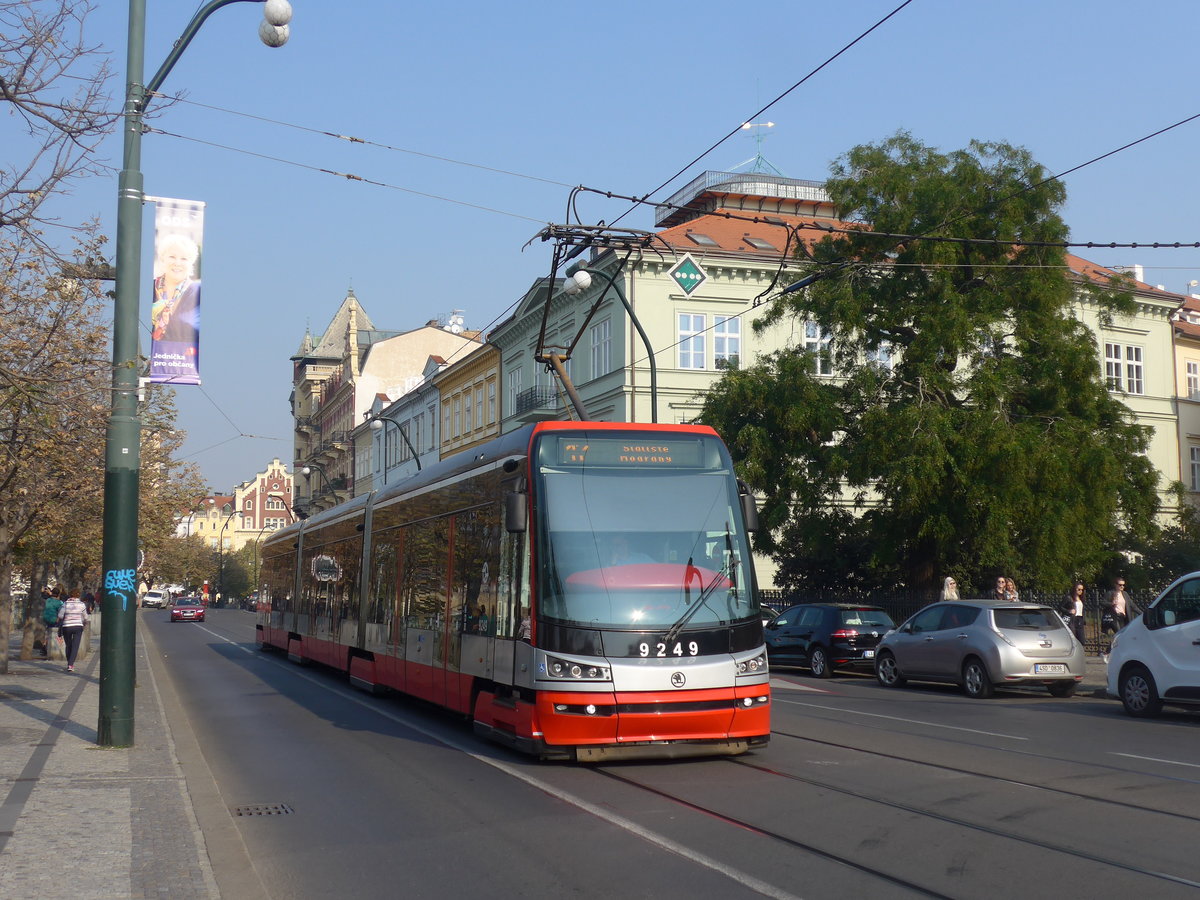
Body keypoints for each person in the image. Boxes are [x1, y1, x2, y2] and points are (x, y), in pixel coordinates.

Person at [151, 232, 201, 343]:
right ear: (163, 258)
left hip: (185, 351)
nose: (177, 263)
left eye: (184, 259)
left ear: (191, 263)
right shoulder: (149, 288)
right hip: (148, 351)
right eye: (172, 257)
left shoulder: (198, 292)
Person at [57, 587, 90, 673]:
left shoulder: (65, 604)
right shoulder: (82, 604)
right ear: (79, 595)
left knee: (68, 645)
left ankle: (69, 662)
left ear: (70, 595)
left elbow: (60, 615)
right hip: (78, 626)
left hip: (67, 626)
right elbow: (86, 617)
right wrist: (84, 621)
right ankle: (71, 665)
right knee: (75, 646)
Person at [41, 587, 63, 659]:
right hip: (54, 619)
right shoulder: (59, 603)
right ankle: (51, 646)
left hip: (46, 618)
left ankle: (44, 645)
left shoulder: (48, 600)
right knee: (54, 632)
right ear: (58, 594)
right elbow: (61, 611)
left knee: (47, 631)